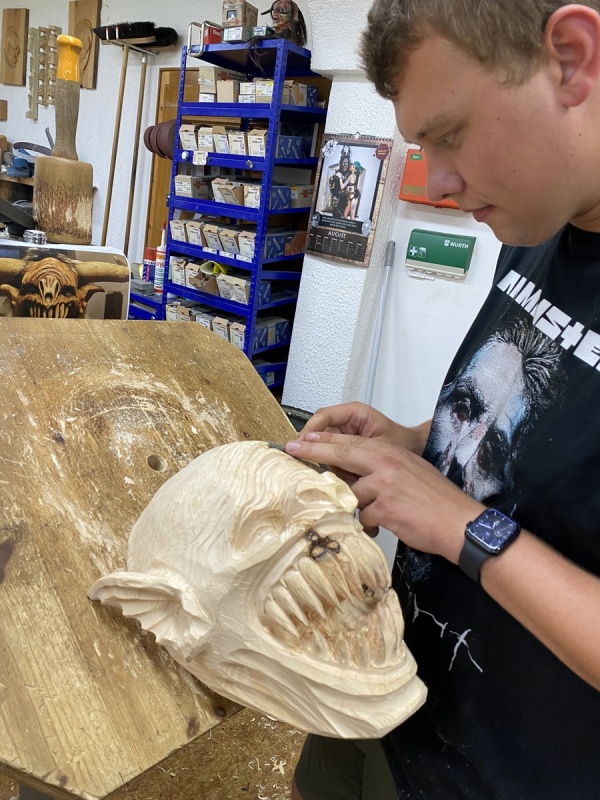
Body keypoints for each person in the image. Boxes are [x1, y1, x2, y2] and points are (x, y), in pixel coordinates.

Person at [286, 2, 600, 798]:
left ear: (572, 57)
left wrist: (462, 525)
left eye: (451, 135)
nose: (441, 184)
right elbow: (542, 428)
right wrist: (415, 439)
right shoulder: (543, 217)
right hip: (385, 690)